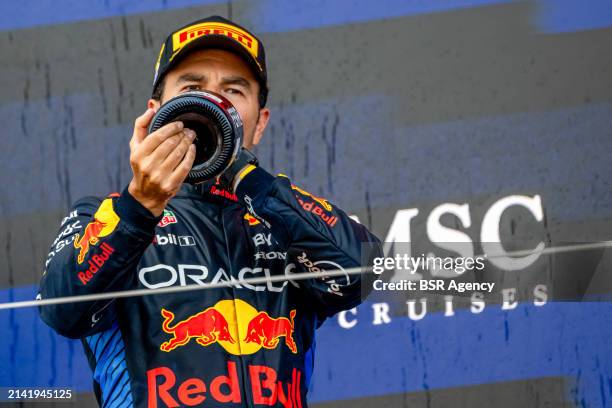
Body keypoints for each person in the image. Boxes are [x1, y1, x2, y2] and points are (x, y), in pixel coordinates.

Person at [38, 15, 380, 408]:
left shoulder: (285, 219)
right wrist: (139, 207)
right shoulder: (102, 214)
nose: (213, 102)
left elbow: (361, 272)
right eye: (192, 88)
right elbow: (62, 313)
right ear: (155, 113)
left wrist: (241, 171)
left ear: (260, 123)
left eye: (233, 91)